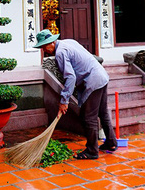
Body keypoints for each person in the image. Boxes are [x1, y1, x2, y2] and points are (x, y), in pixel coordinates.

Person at [34, 29, 117, 159]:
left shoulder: (60, 53)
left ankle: (92, 151)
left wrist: (64, 100)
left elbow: (70, 77)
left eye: (45, 46)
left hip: (93, 80)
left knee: (88, 117)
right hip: (101, 75)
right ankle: (111, 142)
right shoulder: (68, 42)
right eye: (42, 47)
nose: (44, 49)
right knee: (102, 112)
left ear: (52, 41)